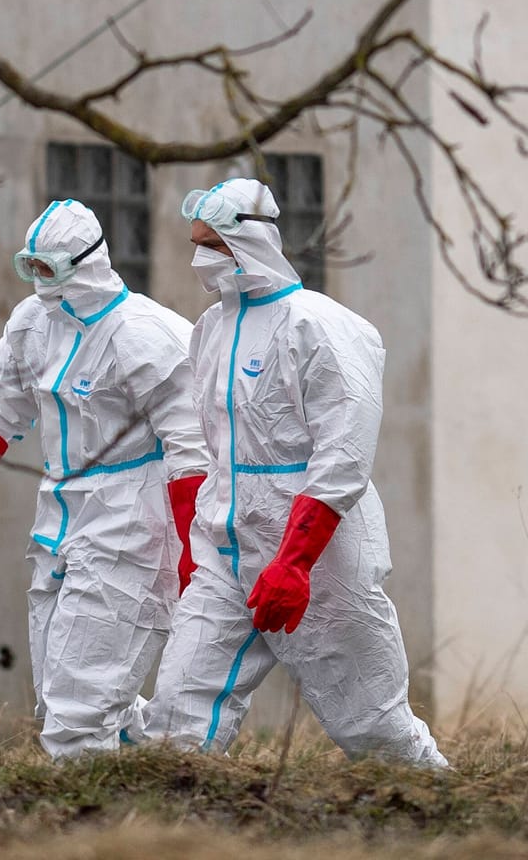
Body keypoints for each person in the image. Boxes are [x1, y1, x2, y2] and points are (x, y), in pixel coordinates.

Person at [141, 178, 446, 767]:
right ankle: (177, 830)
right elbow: (211, 446)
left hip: (317, 549)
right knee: (178, 717)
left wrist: (295, 560)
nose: (202, 258)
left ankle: (439, 808)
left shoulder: (322, 327)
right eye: (197, 243)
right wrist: (195, 538)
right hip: (225, 545)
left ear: (251, 241)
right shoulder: (210, 330)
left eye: (216, 245)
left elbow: (343, 455)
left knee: (373, 726)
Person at [0, 199, 209, 758]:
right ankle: (153, 776)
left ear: (83, 264)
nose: (37, 281)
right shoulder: (33, 325)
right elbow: (4, 406)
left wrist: (193, 544)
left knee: (77, 709)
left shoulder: (143, 336)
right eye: (29, 267)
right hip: (60, 511)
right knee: (58, 692)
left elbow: (191, 445)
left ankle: (86, 831)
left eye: (47, 268)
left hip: (132, 514)